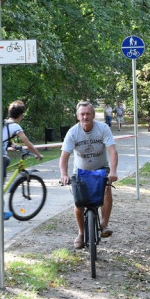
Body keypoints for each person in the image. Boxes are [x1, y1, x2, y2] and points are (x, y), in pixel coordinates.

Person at [59, 100, 118, 249]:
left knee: (106, 189)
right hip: (80, 171)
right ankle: (80, 233)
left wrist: (113, 171)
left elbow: (112, 151)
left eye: (88, 113)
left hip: (101, 168)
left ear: (93, 114)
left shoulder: (103, 128)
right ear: (78, 116)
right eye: (82, 114)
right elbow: (64, 156)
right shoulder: (73, 132)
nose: (85, 117)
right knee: (79, 202)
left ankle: (104, 225)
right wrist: (64, 175)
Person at [0, 100, 42, 219]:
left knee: (1, 167)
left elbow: (2, 138)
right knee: (5, 165)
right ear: (20, 115)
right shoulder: (15, 126)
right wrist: (37, 154)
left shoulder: (4, 122)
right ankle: (0, 213)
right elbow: (27, 142)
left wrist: (13, 145)